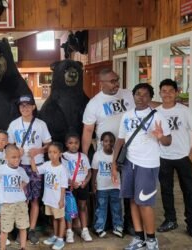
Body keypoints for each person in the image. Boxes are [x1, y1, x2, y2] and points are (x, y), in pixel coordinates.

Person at [111, 83, 172, 250]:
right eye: (138, 94)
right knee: (132, 200)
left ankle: (151, 240)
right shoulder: (127, 115)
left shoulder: (157, 116)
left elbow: (168, 141)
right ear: (133, 95)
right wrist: (113, 163)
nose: (141, 97)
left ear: (150, 98)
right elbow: (120, 141)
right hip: (129, 163)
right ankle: (139, 238)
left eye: (145, 95)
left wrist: (160, 137)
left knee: (144, 203)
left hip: (148, 164)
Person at [82, 68, 135, 235]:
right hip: (106, 151)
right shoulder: (94, 103)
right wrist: (84, 158)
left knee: (127, 185)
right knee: (107, 187)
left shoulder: (128, 94)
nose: (116, 84)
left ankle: (129, 222)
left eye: (117, 79)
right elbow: (88, 131)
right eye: (112, 81)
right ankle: (105, 223)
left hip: (131, 149)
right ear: (101, 83)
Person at [156, 79, 192, 237]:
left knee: (188, 191)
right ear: (160, 93)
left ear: (176, 93)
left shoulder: (184, 111)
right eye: (164, 91)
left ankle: (191, 223)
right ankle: (170, 219)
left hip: (183, 157)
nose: (167, 94)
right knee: (166, 190)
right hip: (163, 157)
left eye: (170, 91)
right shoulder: (157, 112)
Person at [7, 95, 52, 244]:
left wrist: (39, 151)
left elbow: (49, 146)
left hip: (36, 166)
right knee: (21, 200)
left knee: (34, 199)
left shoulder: (41, 124)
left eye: (28, 105)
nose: (25, 108)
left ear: (33, 107)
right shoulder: (14, 124)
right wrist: (15, 151)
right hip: (19, 167)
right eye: (22, 106)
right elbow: (8, 146)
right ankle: (22, 229)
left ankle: (31, 229)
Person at [0, 145, 30, 250]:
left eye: (18, 157)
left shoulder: (21, 170)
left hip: (21, 202)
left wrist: (23, 185)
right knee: (5, 229)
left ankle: (23, 247)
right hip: (7, 204)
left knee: (23, 226)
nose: (17, 159)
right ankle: (2, 248)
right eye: (13, 157)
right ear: (6, 157)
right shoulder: (1, 169)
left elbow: (27, 180)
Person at [31, 142, 68, 250]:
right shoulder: (47, 165)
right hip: (49, 199)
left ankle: (60, 239)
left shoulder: (62, 169)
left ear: (60, 154)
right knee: (53, 218)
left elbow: (63, 186)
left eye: (55, 152)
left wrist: (61, 200)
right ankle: (56, 235)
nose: (52, 154)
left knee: (60, 218)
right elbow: (35, 170)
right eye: (50, 152)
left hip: (57, 200)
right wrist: (32, 158)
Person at [91, 132, 123, 238]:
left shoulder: (116, 154)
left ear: (114, 142)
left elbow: (120, 169)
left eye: (111, 141)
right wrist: (93, 185)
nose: (108, 143)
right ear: (101, 142)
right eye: (105, 141)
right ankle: (99, 227)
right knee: (101, 208)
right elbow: (94, 171)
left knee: (116, 207)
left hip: (115, 186)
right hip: (102, 187)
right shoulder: (97, 155)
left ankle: (118, 227)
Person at [62, 133, 92, 242]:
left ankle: (84, 230)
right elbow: (61, 173)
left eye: (76, 143)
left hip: (82, 185)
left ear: (79, 144)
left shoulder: (83, 156)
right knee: (69, 209)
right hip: (70, 187)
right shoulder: (63, 156)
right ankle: (69, 231)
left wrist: (86, 181)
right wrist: (70, 182)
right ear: (66, 144)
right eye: (70, 143)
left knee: (82, 207)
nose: (73, 145)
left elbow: (89, 171)